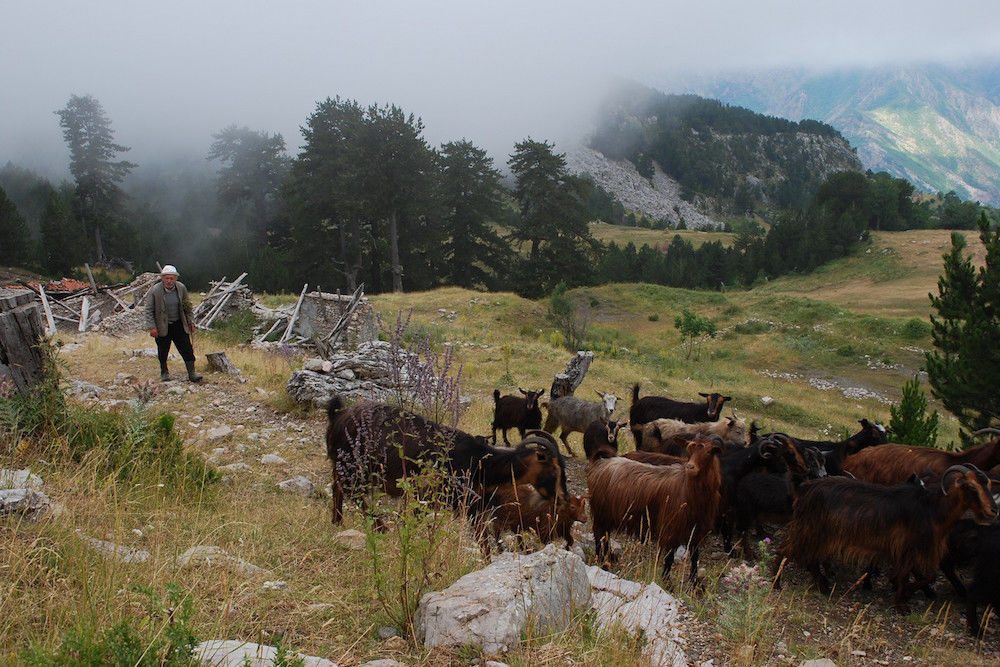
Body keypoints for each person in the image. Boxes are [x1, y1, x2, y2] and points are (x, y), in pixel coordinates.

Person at [145, 265, 202, 382]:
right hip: (162, 326)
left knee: (187, 349)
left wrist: (190, 321)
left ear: (176, 278)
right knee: (163, 350)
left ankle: (192, 373)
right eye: (167, 278)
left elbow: (187, 306)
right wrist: (152, 327)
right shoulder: (155, 290)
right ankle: (164, 372)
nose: (169, 281)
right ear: (162, 278)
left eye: (172, 278)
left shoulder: (181, 288)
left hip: (179, 324)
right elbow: (149, 310)